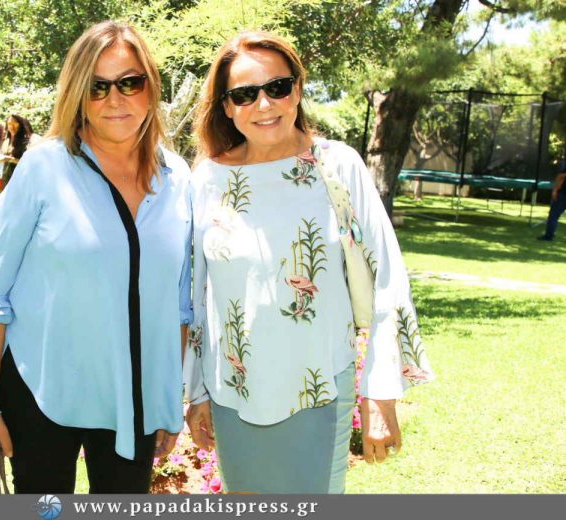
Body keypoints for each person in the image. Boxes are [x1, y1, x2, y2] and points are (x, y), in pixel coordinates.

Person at [183, 31, 435, 494]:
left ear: (297, 90)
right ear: (227, 107)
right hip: (232, 392)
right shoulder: (206, 179)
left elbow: (387, 277)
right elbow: (197, 296)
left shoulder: (338, 166)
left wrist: (380, 391)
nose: (264, 104)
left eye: (277, 87)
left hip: (319, 387)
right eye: (245, 94)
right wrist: (196, 390)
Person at [0, 20, 192, 494]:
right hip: (42, 393)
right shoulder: (44, 167)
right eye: (97, 87)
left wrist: (167, 399)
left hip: (134, 401)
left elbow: (178, 306)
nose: (115, 99)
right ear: (76, 94)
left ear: (150, 86)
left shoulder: (177, 178)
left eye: (130, 82)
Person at [0, 114, 32, 189]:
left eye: (15, 123)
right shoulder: (6, 141)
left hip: (19, 180)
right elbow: (2, 159)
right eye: (9, 124)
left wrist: (10, 159)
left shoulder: (26, 142)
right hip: (6, 179)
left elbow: (29, 163)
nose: (12, 126)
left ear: (20, 125)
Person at [538, 155, 566, 241]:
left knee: (554, 214)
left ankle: (549, 236)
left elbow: (562, 176)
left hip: (563, 193)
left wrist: (555, 190)